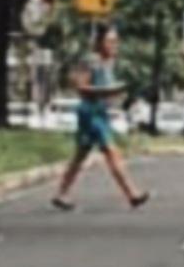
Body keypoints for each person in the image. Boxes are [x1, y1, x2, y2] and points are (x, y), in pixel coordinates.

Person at [52, 26, 150, 211]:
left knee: (80, 155)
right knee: (112, 152)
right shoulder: (92, 61)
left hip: (100, 112)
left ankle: (61, 193)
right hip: (91, 112)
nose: (114, 45)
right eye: (110, 41)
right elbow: (82, 88)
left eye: (116, 41)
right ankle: (132, 194)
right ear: (99, 43)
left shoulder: (107, 63)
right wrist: (110, 91)